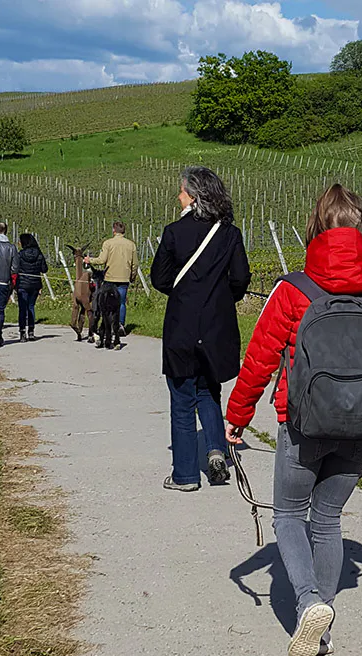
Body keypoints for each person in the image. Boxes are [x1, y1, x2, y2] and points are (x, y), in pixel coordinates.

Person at [225, 185, 362, 656]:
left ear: (315, 228)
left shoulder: (293, 290)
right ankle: (325, 617)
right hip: (360, 427)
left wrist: (236, 418)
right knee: (330, 518)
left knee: (290, 515)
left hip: (301, 425)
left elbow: (258, 360)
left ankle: (308, 603)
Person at [150, 166, 251, 491]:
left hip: (181, 324)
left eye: (181, 190)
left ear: (193, 196)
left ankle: (185, 476)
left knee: (181, 400)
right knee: (208, 391)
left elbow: (160, 279)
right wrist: (220, 299)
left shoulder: (173, 232)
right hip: (216, 327)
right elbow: (240, 279)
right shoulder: (230, 234)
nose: (178, 195)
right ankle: (216, 450)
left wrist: (186, 295)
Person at [85, 221, 137, 335]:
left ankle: (108, 324)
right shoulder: (131, 245)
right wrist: (132, 277)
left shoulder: (108, 243)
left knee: (107, 302)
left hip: (109, 278)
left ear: (114, 230)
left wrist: (90, 260)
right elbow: (135, 264)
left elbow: (102, 260)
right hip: (124, 278)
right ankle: (120, 325)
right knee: (121, 302)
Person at [13, 233, 48, 342]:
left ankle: (22, 332)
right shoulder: (39, 254)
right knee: (31, 307)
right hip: (35, 284)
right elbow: (44, 269)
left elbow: (15, 268)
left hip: (22, 284)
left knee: (22, 309)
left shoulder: (20, 255)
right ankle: (31, 332)